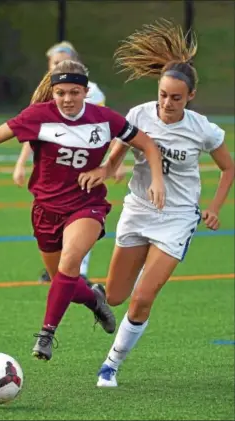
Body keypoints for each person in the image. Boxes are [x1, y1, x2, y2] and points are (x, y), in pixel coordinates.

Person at [0, 59, 165, 361]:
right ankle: (94, 300)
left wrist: (116, 171)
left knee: (70, 261)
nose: (67, 99)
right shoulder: (38, 116)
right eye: (61, 92)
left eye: (75, 92)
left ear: (86, 91)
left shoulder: (103, 119)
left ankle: (46, 334)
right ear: (53, 91)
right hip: (45, 210)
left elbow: (147, 144)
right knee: (63, 281)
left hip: (86, 205)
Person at [79, 19, 235, 386]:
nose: (166, 102)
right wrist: (107, 169)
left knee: (142, 299)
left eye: (176, 97)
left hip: (177, 218)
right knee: (115, 298)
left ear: (190, 97)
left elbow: (228, 169)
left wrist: (214, 207)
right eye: (163, 94)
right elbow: (118, 149)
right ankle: (100, 294)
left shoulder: (203, 129)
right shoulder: (139, 114)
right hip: (138, 210)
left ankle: (111, 365)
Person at [12, 41, 125, 283]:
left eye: (60, 62)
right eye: (53, 64)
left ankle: (79, 271)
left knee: (83, 216)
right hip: (59, 169)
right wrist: (22, 162)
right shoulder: (50, 89)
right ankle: (65, 273)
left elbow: (106, 127)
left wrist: (112, 164)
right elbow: (33, 131)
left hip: (85, 166)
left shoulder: (90, 91)